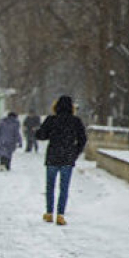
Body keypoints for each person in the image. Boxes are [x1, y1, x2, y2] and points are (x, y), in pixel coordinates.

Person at [36, 95, 87, 225]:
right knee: (64, 187)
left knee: (50, 186)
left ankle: (49, 213)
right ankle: (60, 215)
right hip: (68, 157)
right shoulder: (76, 121)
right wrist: (75, 152)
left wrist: (38, 132)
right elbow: (82, 139)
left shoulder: (51, 120)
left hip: (53, 156)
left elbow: (41, 135)